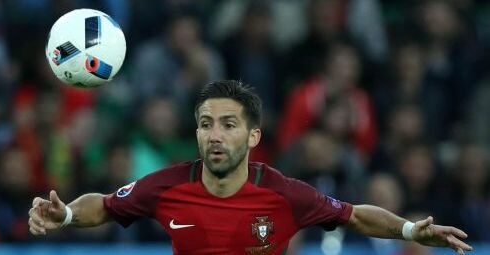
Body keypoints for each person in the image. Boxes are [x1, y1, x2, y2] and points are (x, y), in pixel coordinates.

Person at [28, 80, 472, 254]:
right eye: (205, 124)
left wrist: (413, 233)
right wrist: (65, 214)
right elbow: (105, 206)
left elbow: (353, 215)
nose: (215, 135)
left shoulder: (284, 194)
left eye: (227, 124)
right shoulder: (165, 186)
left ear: (253, 136)